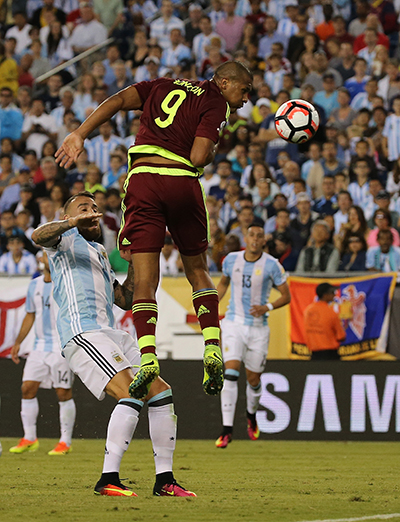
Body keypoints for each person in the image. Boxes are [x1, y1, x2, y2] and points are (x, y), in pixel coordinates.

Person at [55, 61, 253, 401]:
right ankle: (212, 346)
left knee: (145, 281)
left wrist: (80, 133)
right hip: (180, 181)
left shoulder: (161, 85)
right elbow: (199, 155)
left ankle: (147, 356)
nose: (247, 98)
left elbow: (116, 100)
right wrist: (215, 146)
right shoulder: (216, 101)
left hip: (143, 180)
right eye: (244, 89)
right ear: (222, 81)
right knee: (198, 269)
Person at [31, 191, 195, 497]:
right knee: (132, 391)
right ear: (68, 217)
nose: (92, 213)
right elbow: (38, 235)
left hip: (111, 333)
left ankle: (164, 481)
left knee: (160, 392)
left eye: (94, 208)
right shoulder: (62, 242)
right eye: (83, 208)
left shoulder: (100, 253)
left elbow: (125, 299)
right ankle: (107, 478)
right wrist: (71, 223)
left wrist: (133, 261)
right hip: (84, 332)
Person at [215, 223, 290, 448]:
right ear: (246, 238)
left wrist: (266, 307)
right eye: (252, 235)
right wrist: (210, 304)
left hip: (258, 328)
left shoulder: (272, 265)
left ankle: (251, 415)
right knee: (230, 372)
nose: (255, 239)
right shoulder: (230, 260)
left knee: (254, 379)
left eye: (259, 236)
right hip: (233, 323)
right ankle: (226, 430)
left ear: (263, 241)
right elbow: (223, 284)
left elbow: (286, 296)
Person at [9, 251, 76, 456]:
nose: (46, 258)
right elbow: (30, 314)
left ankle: (65, 441)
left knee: (63, 392)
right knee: (27, 388)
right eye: (44, 255)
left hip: (60, 346)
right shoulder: (34, 285)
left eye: (49, 254)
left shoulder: (66, 283)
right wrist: (18, 342)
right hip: (38, 347)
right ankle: (30, 438)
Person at [303, 283, 346, 360]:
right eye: (332, 293)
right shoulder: (331, 313)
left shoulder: (308, 310)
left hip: (314, 355)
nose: (334, 295)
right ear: (325, 295)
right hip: (330, 355)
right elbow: (341, 336)